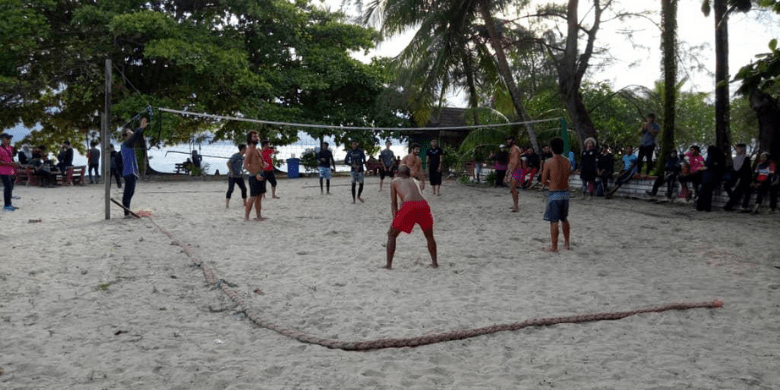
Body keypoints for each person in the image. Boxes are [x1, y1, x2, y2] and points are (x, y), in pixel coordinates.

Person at [385, 164, 437, 270]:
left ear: (398, 173)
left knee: (392, 234)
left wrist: (395, 220)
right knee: (429, 236)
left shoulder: (394, 181)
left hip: (409, 205)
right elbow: (417, 195)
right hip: (423, 204)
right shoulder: (415, 181)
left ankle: (388, 265)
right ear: (408, 173)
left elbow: (394, 203)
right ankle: (435, 263)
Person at [540, 137, 571, 252]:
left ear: (552, 148)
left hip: (554, 193)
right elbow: (567, 176)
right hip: (565, 193)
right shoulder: (567, 161)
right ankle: (567, 243)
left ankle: (554, 247)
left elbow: (543, 181)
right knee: (564, 219)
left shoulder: (549, 162)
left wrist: (550, 184)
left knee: (554, 221)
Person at [121, 118, 147, 218]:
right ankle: (126, 214)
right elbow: (135, 136)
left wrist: (141, 130)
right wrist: (140, 128)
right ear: (127, 136)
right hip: (129, 172)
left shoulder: (129, 145)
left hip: (132, 173)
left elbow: (136, 137)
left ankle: (127, 211)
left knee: (131, 192)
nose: (132, 134)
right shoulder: (126, 144)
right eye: (130, 133)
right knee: (128, 193)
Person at [243, 131, 267, 221]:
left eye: (257, 136)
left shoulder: (257, 150)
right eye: (254, 137)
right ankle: (246, 217)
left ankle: (258, 216)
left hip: (260, 174)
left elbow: (259, 162)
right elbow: (246, 164)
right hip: (254, 176)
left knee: (259, 196)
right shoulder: (249, 150)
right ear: (250, 138)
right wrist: (255, 174)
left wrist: (264, 165)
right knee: (253, 197)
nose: (256, 138)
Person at [724, 144, 753, 211]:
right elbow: (734, 169)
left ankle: (730, 204)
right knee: (726, 185)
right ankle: (733, 200)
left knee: (739, 190)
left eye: (738, 148)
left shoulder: (746, 158)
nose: (737, 150)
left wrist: (739, 179)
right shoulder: (736, 158)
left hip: (744, 179)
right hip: (735, 178)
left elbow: (746, 170)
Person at [697, 145, 726, 212]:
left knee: (703, 192)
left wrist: (698, 168)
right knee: (709, 193)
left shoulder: (710, 156)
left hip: (708, 177)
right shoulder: (720, 157)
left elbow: (707, 166)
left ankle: (701, 206)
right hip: (714, 177)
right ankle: (707, 207)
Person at [0, 133, 20, 211]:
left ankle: (9, 204)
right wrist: (10, 163)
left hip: (11, 171)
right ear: (2, 139)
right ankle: (6, 205)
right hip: (3, 171)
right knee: (7, 187)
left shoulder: (10, 148)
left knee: (10, 187)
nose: (8, 140)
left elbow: (11, 159)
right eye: (7, 138)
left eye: (9, 138)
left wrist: (15, 165)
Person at [503, 136, 523, 212]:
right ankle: (515, 204)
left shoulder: (516, 149)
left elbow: (515, 162)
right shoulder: (512, 149)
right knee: (512, 188)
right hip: (513, 169)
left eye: (510, 140)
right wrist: (507, 173)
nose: (508, 141)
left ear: (513, 140)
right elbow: (510, 162)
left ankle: (516, 206)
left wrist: (510, 173)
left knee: (513, 188)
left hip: (516, 170)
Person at [226, 144, 247, 208]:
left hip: (239, 176)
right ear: (242, 149)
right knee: (231, 189)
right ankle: (227, 203)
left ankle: (245, 203)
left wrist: (242, 171)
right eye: (245, 149)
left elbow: (240, 165)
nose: (246, 150)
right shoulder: (235, 156)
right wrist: (232, 171)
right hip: (232, 176)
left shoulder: (242, 157)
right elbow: (228, 163)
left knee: (244, 188)